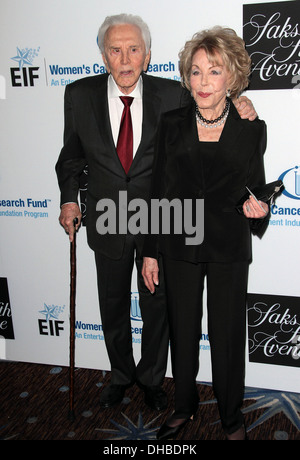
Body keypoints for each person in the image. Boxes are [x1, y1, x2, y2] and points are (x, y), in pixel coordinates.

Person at [56, 15, 257, 412]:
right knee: (112, 304)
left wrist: (238, 102)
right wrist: (68, 199)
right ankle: (119, 375)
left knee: (158, 308)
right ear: (103, 57)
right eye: (116, 50)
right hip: (107, 217)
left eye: (134, 50)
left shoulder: (173, 94)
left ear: (147, 56)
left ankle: (151, 378)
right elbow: (71, 158)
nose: (125, 59)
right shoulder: (78, 95)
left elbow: (208, 105)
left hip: (160, 220)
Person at [142, 26, 269, 439]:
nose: (202, 82)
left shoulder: (251, 127)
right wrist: (149, 251)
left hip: (229, 244)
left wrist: (259, 210)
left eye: (213, 72)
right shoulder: (172, 123)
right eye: (195, 72)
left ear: (231, 77)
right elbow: (157, 188)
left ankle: (231, 416)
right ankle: (183, 405)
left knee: (227, 334)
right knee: (182, 327)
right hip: (179, 242)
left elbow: (255, 187)